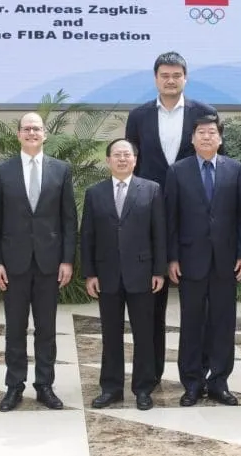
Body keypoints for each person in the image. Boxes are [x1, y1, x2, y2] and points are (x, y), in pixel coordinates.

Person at [124, 51, 217, 387]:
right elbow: (131, 162)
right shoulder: (138, 117)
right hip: (149, 217)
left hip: (194, 221)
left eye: (176, 75)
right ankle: (150, 374)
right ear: (155, 79)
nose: (170, 80)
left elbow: (214, 162)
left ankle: (201, 373)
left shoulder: (203, 114)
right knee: (152, 300)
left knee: (199, 304)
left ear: (185, 78)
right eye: (164, 75)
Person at [0, 112, 77, 412]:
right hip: (13, 264)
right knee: (15, 328)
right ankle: (14, 386)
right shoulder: (2, 170)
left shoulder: (61, 170)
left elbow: (68, 219)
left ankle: (44, 386)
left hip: (50, 263)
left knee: (46, 328)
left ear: (45, 134)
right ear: (18, 134)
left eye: (37, 128)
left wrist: (67, 260)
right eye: (27, 129)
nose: (32, 133)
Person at [164, 115, 241, 407]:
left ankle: (219, 382)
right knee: (192, 323)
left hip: (226, 260)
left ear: (220, 138)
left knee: (223, 323)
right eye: (200, 132)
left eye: (211, 132)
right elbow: (171, 219)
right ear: (192, 139)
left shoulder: (235, 169)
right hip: (190, 260)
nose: (206, 137)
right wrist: (172, 257)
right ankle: (192, 383)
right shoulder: (177, 171)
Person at [81, 139, 166, 411]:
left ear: (135, 159)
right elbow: (88, 236)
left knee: (144, 333)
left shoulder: (151, 190)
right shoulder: (95, 193)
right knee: (110, 333)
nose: (121, 159)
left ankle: (143, 388)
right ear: (108, 160)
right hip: (107, 275)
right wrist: (90, 273)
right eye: (116, 155)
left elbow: (159, 234)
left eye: (126, 155)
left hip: (142, 273)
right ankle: (111, 387)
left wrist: (159, 271)